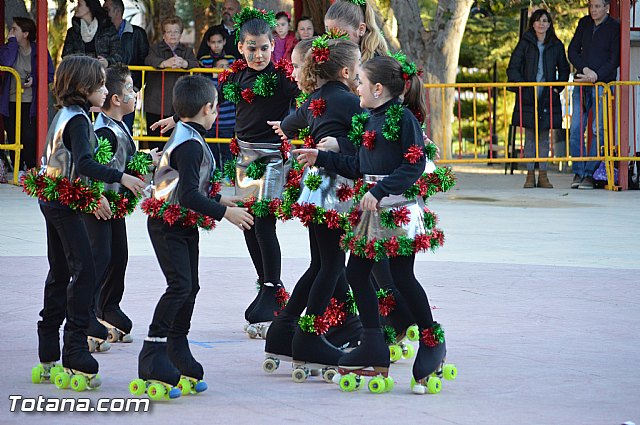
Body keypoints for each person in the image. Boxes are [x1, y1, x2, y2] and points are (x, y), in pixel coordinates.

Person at [293, 55, 455, 394]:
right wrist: (321, 157)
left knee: (401, 277)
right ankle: (372, 342)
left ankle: (431, 339)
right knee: (356, 274)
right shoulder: (367, 118)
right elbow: (357, 165)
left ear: (378, 88)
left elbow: (414, 164)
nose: (356, 88)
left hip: (395, 207)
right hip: (373, 210)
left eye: (361, 84)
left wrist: (380, 191)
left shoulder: (402, 118)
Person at [24, 56, 146, 389]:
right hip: (63, 204)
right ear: (83, 87)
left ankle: (48, 346)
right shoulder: (78, 121)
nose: (106, 91)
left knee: (61, 270)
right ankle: (75, 347)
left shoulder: (69, 114)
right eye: (101, 84)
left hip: (55, 198)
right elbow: (87, 164)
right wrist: (120, 177)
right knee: (85, 270)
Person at [133, 74, 252, 399]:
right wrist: (225, 213)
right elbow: (186, 195)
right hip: (167, 224)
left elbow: (190, 188)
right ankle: (152, 353)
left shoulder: (189, 135)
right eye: (215, 108)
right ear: (208, 108)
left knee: (190, 286)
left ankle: (176, 346)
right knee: (179, 286)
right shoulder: (188, 143)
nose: (216, 113)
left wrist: (221, 200)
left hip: (180, 222)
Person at [264, 36, 363, 378]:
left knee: (322, 262)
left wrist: (287, 126)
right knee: (332, 264)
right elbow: (371, 140)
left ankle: (282, 330)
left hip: (314, 187)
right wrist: (344, 141)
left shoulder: (313, 100)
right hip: (336, 188)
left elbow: (290, 126)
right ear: (347, 70)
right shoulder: (351, 101)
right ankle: (309, 335)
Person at [217, 8, 299, 337]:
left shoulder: (280, 78)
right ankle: (267, 287)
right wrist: (179, 120)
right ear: (240, 47)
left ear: (272, 46)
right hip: (245, 156)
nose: (258, 54)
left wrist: (289, 126)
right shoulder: (236, 75)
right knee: (249, 226)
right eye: (251, 47)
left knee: (264, 225)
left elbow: (302, 104)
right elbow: (210, 100)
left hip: (272, 158)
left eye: (264, 47)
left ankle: (273, 287)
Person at [84, 65, 158, 348]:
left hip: (113, 205)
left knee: (118, 257)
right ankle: (87, 316)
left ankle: (107, 308)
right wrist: (94, 197)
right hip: (99, 205)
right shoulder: (104, 130)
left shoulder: (119, 127)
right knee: (99, 259)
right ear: (116, 99)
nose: (135, 93)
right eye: (130, 88)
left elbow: (122, 165)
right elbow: (92, 168)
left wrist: (148, 158)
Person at [507, 9, 570, 189]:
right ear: (532, 24)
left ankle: (543, 176)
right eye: (538, 20)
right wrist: (523, 86)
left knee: (543, 138)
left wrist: (558, 87)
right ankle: (529, 175)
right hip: (528, 95)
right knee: (529, 138)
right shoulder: (525, 43)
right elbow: (513, 67)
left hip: (547, 96)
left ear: (550, 24)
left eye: (545, 21)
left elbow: (564, 69)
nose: (541, 24)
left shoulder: (556, 45)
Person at [567, 0, 620, 190]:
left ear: (606, 7)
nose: (593, 10)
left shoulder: (615, 27)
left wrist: (596, 75)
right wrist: (586, 69)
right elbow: (572, 51)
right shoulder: (584, 23)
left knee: (599, 129)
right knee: (575, 129)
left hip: (602, 85)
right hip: (581, 81)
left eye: (597, 6)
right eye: (591, 6)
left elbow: (614, 59)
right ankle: (578, 172)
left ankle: (590, 174)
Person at [0, 17, 54, 172]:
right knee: (12, 135)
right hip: (10, 101)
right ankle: (16, 169)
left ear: (25, 33)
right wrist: (11, 43)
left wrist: (35, 80)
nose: (10, 32)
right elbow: (7, 62)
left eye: (14, 29)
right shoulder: (8, 48)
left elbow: (50, 74)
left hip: (30, 102)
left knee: (29, 137)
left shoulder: (39, 50)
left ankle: (29, 167)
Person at [144, 16, 199, 146]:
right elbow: (148, 60)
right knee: (155, 140)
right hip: (156, 103)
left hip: (178, 105)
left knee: (176, 142)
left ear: (180, 34)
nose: (173, 35)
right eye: (169, 32)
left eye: (176, 32)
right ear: (163, 35)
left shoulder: (186, 50)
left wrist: (185, 63)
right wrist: (163, 63)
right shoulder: (155, 49)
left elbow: (196, 65)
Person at [102, 0, 149, 131]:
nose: (102, 12)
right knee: (104, 130)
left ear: (117, 11)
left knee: (125, 128)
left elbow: (143, 61)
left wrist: (134, 87)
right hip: (104, 90)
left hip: (127, 89)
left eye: (106, 9)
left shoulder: (137, 34)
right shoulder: (102, 33)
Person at [61, 0, 122, 68]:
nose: (76, 8)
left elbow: (118, 56)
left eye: (79, 4)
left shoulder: (108, 29)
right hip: (80, 76)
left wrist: (107, 62)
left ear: (90, 7)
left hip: (104, 75)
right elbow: (66, 57)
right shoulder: (72, 32)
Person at [204, 56, 236, 173]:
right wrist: (215, 77)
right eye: (221, 67)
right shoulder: (209, 84)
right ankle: (215, 173)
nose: (225, 69)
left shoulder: (231, 84)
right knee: (212, 150)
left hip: (227, 123)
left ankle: (228, 174)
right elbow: (213, 92)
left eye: (227, 66)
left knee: (227, 151)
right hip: (211, 124)